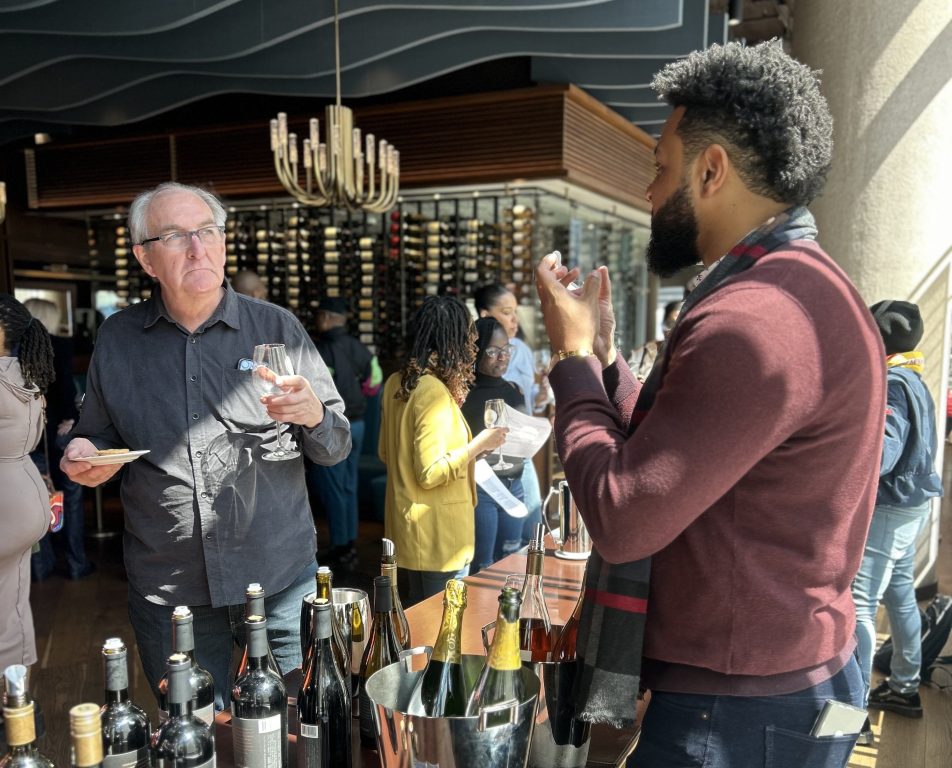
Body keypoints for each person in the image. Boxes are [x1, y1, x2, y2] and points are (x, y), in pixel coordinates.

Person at [535, 42, 885, 766]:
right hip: (781, 680)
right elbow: (688, 446)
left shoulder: (757, 318)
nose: (649, 191)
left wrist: (570, 360)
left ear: (711, 169)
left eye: (660, 166)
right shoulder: (796, 287)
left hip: (737, 712)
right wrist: (606, 355)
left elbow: (625, 515)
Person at [60, 182, 351, 710]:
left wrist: (314, 415)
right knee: (193, 736)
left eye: (208, 232)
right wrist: (86, 452)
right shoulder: (119, 338)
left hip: (280, 581)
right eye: (175, 236)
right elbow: (99, 432)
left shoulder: (277, 327)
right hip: (171, 587)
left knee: (301, 727)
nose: (197, 248)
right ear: (145, 258)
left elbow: (335, 447)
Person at [378, 296, 506, 603]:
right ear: (456, 341)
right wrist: (478, 445)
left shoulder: (397, 381)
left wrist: (468, 452)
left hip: (409, 528)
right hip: (439, 535)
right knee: (442, 624)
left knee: (418, 615)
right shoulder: (433, 391)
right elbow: (431, 472)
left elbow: (386, 453)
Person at [852, 301, 942, 722]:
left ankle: (852, 707)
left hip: (889, 507)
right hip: (913, 505)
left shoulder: (890, 383)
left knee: (860, 603)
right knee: (900, 595)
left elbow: (883, 455)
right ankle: (904, 687)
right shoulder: (914, 378)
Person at [0, 293, 55, 671]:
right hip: (24, 493)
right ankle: (15, 690)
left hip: (6, 500)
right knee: (11, 601)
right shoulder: (26, 373)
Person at [307, 296, 382, 570]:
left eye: (318, 315)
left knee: (334, 488)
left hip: (334, 428)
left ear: (327, 317)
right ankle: (350, 541)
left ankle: (341, 546)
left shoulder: (318, 350)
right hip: (358, 425)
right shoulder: (359, 347)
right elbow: (374, 383)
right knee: (349, 486)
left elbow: (313, 389)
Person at [25, 298, 93, 581]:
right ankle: (77, 563)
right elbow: (64, 387)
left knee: (38, 500)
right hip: (59, 433)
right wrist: (71, 418)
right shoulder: (59, 346)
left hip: (30, 438)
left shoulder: (14, 350)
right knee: (70, 497)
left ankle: (42, 567)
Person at [474, 284, 545, 545]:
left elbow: (527, 399)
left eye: (516, 312)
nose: (515, 320)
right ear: (485, 315)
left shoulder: (521, 350)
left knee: (530, 528)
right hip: (486, 467)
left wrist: (540, 396)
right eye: (507, 312)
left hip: (519, 454)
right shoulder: (474, 366)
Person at [461, 317, 527, 572]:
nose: (502, 357)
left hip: (514, 485)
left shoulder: (514, 390)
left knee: (511, 561)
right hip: (481, 489)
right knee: (483, 566)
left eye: (506, 349)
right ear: (476, 351)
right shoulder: (463, 394)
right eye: (493, 351)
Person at [627, 300, 682, 382]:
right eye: (669, 323)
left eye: (678, 324)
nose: (671, 330)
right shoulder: (643, 351)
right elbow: (629, 384)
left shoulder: (690, 356)